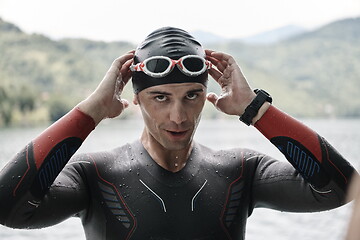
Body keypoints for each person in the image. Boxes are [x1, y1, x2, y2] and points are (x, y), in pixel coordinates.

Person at [0, 27, 356, 240]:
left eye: (192, 95)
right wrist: (89, 112)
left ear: (206, 95)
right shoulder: (94, 175)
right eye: (160, 97)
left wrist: (255, 109)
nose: (178, 115)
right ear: (136, 99)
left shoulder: (241, 172)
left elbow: (340, 188)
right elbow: (7, 207)